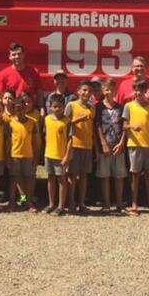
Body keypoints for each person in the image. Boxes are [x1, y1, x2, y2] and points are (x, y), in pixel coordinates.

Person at [123, 79, 149, 216]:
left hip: (148, 145)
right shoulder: (129, 106)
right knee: (135, 176)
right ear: (133, 91)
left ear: (145, 91)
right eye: (136, 90)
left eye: (141, 90)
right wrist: (132, 126)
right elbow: (124, 125)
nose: (138, 93)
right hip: (134, 145)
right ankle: (134, 204)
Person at [94, 78, 127, 212]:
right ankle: (106, 204)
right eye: (107, 89)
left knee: (119, 176)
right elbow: (97, 126)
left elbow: (124, 126)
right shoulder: (98, 107)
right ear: (103, 91)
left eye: (112, 90)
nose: (109, 92)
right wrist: (103, 143)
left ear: (115, 91)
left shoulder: (120, 107)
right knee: (105, 176)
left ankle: (119, 204)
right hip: (105, 146)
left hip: (117, 145)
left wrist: (121, 143)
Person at [65, 81, 95, 213]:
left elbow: (92, 127)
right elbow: (64, 124)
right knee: (72, 175)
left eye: (89, 91)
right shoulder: (71, 105)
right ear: (78, 90)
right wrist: (76, 121)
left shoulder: (91, 108)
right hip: (74, 144)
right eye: (84, 90)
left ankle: (81, 203)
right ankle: (71, 202)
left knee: (84, 176)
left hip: (87, 145)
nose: (86, 93)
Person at [7, 96, 37, 211]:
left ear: (25, 108)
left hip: (28, 156)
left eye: (22, 108)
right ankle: (12, 201)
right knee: (14, 180)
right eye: (17, 109)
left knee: (28, 179)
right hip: (15, 156)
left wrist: (35, 156)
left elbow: (35, 142)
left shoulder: (32, 123)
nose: (20, 112)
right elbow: (8, 142)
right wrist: (7, 157)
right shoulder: (10, 123)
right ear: (14, 110)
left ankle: (28, 202)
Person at [43, 93, 71, 215]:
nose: (57, 109)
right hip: (49, 154)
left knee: (61, 180)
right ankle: (51, 204)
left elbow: (70, 139)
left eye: (59, 106)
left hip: (61, 156)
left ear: (64, 106)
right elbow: (45, 135)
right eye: (54, 106)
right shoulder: (47, 119)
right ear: (50, 107)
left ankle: (61, 206)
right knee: (50, 179)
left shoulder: (67, 121)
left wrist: (66, 155)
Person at [0, 42, 42, 110]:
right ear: (9, 57)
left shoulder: (34, 72)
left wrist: (42, 109)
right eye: (13, 54)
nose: (17, 56)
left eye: (19, 54)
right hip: (12, 113)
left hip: (30, 113)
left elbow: (40, 94)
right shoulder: (3, 74)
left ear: (24, 55)